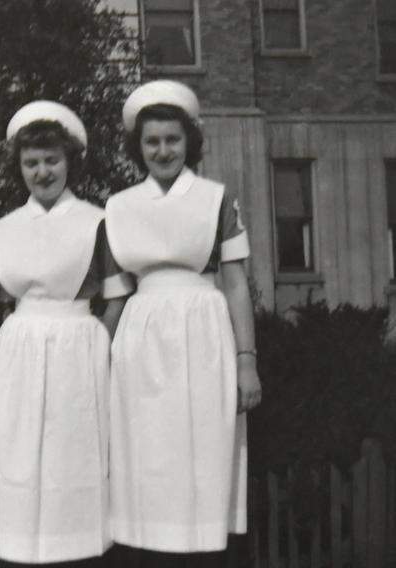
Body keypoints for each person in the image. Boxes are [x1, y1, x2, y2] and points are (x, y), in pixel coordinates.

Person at [106, 80, 262, 567]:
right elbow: (115, 295)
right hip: (141, 338)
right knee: (145, 456)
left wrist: (246, 363)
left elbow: (236, 283)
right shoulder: (119, 206)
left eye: (172, 139)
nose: (163, 150)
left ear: (189, 142)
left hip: (204, 332)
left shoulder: (217, 199)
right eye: (152, 141)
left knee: (203, 456)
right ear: (139, 147)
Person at [0, 101, 133, 567]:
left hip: (78, 346)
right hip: (19, 349)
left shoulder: (97, 221)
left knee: (73, 456)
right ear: (20, 167)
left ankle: (79, 552)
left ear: (70, 161)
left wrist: (95, 349)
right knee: (20, 454)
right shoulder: (3, 228)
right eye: (31, 162)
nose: (42, 171)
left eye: (52, 160)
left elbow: (115, 299)